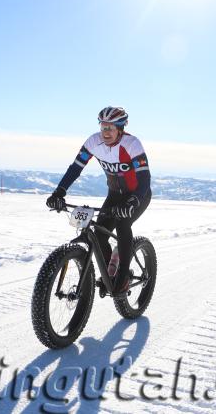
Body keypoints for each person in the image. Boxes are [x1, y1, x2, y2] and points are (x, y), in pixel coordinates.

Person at [46, 106, 152, 297]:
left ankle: (122, 279)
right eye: (103, 127)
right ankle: (111, 267)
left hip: (138, 195)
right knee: (99, 235)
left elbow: (145, 178)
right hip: (114, 196)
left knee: (123, 224)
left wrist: (133, 201)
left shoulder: (132, 144)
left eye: (110, 128)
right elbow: (75, 168)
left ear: (120, 128)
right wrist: (59, 192)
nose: (106, 132)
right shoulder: (93, 142)